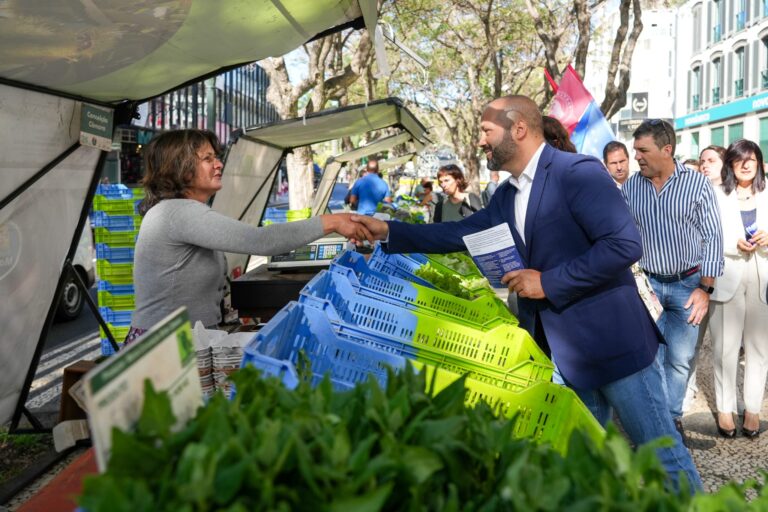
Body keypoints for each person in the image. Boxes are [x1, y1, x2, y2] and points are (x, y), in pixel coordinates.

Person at [351, 95, 702, 490]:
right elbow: (458, 233)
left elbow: (623, 245)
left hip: (617, 346)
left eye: (486, 131)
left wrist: (547, 282)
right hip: (569, 357)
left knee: (661, 455)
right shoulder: (506, 196)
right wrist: (388, 231)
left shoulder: (577, 173)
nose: (481, 141)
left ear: (518, 128)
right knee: (580, 463)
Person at [127, 129, 369, 341]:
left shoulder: (179, 210)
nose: (219, 164)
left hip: (185, 337)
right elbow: (261, 240)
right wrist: (332, 221)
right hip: (167, 345)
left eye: (217, 157)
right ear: (180, 167)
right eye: (207, 159)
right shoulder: (177, 212)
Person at [621, 119, 724, 436]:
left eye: (643, 150)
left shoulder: (696, 185)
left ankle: (669, 419)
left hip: (688, 286)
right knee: (648, 358)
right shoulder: (631, 187)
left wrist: (705, 289)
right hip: (645, 286)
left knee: (679, 359)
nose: (636, 156)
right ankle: (653, 423)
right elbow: (622, 236)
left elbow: (713, 238)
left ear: (667, 150)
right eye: (635, 149)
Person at [708, 139, 768, 438]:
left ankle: (753, 409)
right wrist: (733, 245)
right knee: (724, 349)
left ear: (758, 163)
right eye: (739, 160)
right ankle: (725, 408)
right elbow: (707, 236)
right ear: (730, 164)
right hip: (727, 277)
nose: (746, 164)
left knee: (759, 348)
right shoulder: (716, 195)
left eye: (752, 159)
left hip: (762, 279)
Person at [683, 144, 727, 412]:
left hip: (727, 280)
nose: (705, 165)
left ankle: (726, 404)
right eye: (702, 161)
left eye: (711, 160)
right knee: (690, 343)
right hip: (695, 279)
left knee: (725, 346)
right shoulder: (694, 194)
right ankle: (685, 391)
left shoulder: (736, 196)